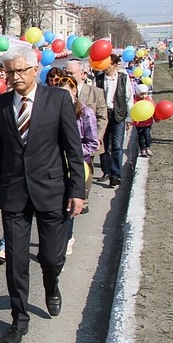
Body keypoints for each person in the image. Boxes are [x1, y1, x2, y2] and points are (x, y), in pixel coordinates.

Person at [0, 47, 85, 343]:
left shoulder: (58, 99)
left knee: (51, 258)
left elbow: (72, 150)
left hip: (52, 191)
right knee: (15, 260)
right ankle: (19, 318)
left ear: (35, 70)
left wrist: (77, 191)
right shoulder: (0, 105)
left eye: (19, 71)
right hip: (13, 193)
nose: (13, 77)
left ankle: (51, 285)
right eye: (9, 72)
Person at [51, 72, 99, 256]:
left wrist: (72, 152)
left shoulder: (85, 113)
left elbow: (92, 143)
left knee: (70, 205)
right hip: (55, 166)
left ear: (74, 93)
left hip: (78, 166)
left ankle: (66, 239)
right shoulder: (51, 113)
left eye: (66, 94)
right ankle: (57, 240)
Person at [65, 59, 107, 213]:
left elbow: (103, 117)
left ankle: (84, 199)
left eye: (71, 73)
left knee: (86, 170)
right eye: (66, 72)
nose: (67, 75)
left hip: (88, 141)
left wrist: (98, 137)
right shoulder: (59, 90)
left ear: (82, 74)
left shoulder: (96, 93)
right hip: (67, 143)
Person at [95, 54, 133, 187]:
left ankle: (115, 174)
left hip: (118, 114)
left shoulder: (123, 78)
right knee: (103, 144)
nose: (105, 67)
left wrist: (129, 117)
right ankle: (106, 171)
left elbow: (128, 97)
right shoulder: (99, 78)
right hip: (103, 115)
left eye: (108, 64)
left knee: (117, 145)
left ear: (115, 65)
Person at [132, 84, 155, 157]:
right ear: (138, 94)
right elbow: (133, 110)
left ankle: (148, 147)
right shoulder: (135, 101)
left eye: (145, 94)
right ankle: (142, 149)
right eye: (141, 94)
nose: (144, 96)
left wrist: (156, 117)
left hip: (148, 122)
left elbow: (153, 109)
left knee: (147, 135)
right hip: (139, 123)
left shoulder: (149, 101)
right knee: (141, 136)